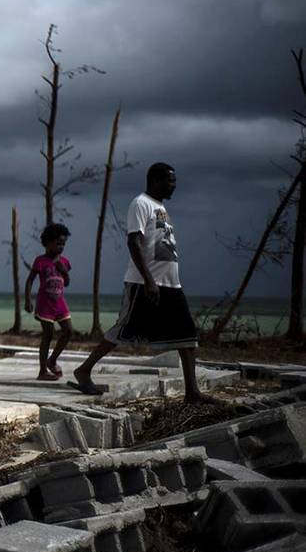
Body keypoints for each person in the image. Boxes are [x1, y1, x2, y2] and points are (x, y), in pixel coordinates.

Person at [70, 162, 207, 403]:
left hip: (171, 284)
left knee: (187, 334)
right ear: (155, 180)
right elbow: (134, 242)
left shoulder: (160, 207)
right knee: (123, 329)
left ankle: (192, 393)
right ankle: (84, 370)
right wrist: (149, 281)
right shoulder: (140, 203)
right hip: (144, 283)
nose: (174, 186)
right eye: (170, 181)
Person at [25, 223, 74, 381]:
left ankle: (52, 360)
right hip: (45, 303)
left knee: (68, 331)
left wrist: (64, 271)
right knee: (48, 334)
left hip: (60, 302)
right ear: (47, 242)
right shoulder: (40, 261)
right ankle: (42, 371)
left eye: (63, 244)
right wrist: (27, 300)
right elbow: (29, 281)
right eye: (58, 243)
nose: (61, 247)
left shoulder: (65, 262)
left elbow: (66, 282)